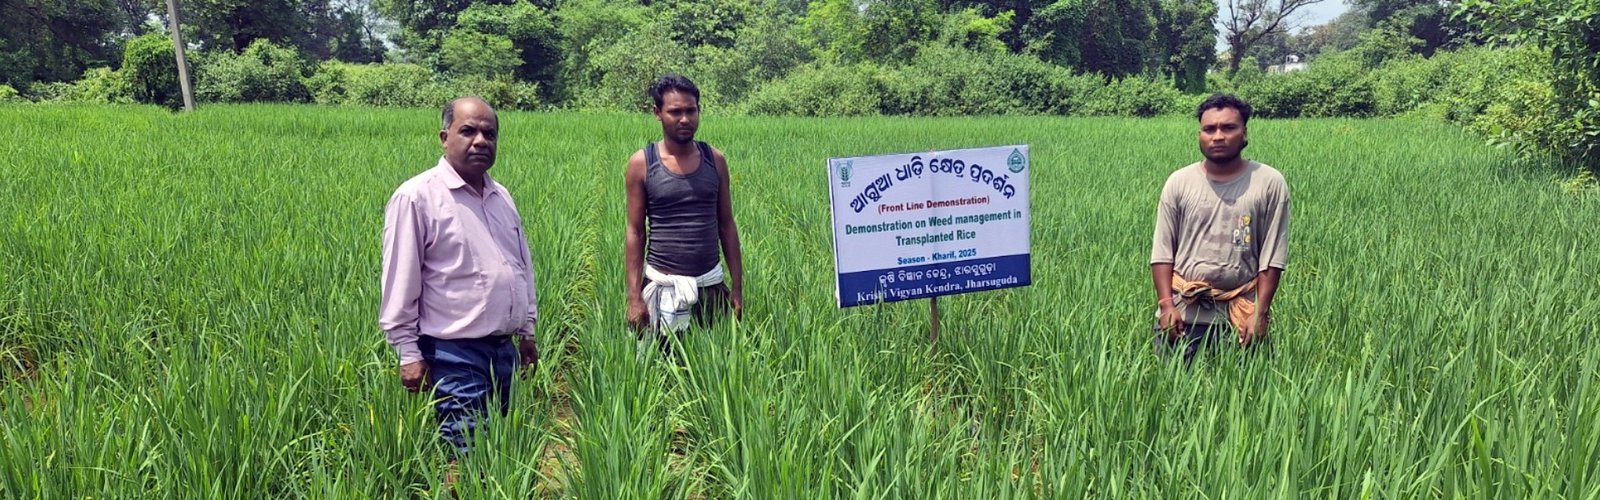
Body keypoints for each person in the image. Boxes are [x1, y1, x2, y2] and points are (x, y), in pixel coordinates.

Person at [378, 96, 539, 459]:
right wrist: (407, 353)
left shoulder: (501, 196)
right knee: (465, 455)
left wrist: (527, 330)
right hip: (453, 354)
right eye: (468, 131)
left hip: (503, 352)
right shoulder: (417, 197)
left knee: (501, 453)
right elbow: (399, 280)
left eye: (490, 133)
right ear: (444, 136)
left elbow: (520, 266)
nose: (480, 140)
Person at [1150, 93, 1289, 364]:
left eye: (1228, 128)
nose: (1217, 136)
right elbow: (1162, 252)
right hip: (1182, 315)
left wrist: (1260, 313)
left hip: (1241, 317)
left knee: (1243, 401)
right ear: (1200, 134)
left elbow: (1272, 258)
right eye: (1209, 129)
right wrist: (1166, 305)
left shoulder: (1269, 183)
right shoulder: (1179, 182)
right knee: (1173, 398)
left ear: (1244, 133)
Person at [624, 74, 745, 337]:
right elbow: (635, 232)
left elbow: (726, 225)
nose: (684, 119)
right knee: (659, 370)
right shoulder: (642, 164)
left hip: (710, 286)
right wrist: (634, 297)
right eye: (675, 112)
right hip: (663, 287)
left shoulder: (715, 160)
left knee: (714, 372)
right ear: (657, 113)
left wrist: (736, 288)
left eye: (691, 111)